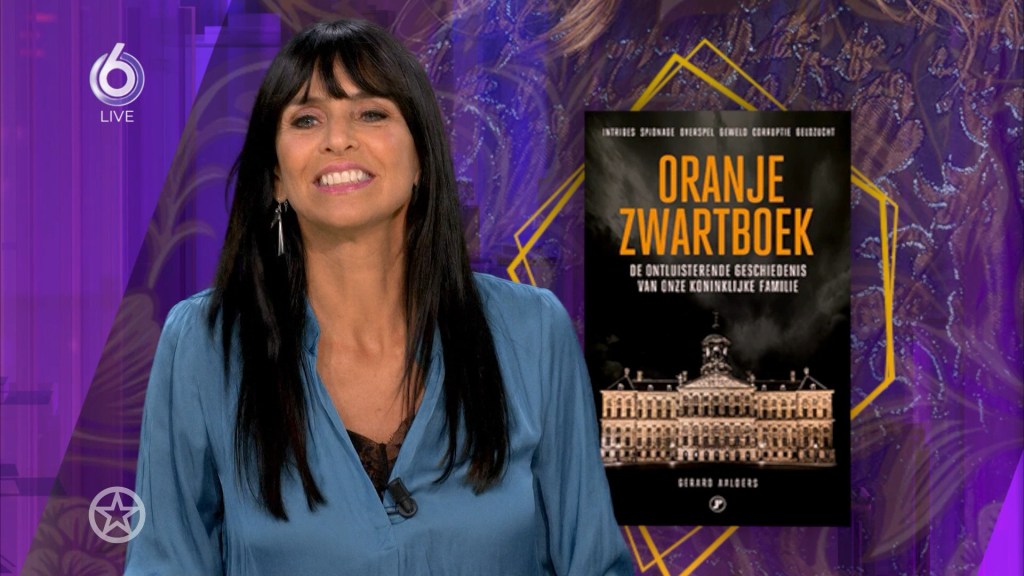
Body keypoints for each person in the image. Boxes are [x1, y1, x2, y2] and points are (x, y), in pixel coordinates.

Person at [123, 18, 631, 575]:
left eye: (371, 113)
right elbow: (165, 563)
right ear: (276, 177)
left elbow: (593, 565)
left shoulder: (533, 330)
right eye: (307, 119)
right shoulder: (204, 343)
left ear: (420, 159)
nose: (338, 139)